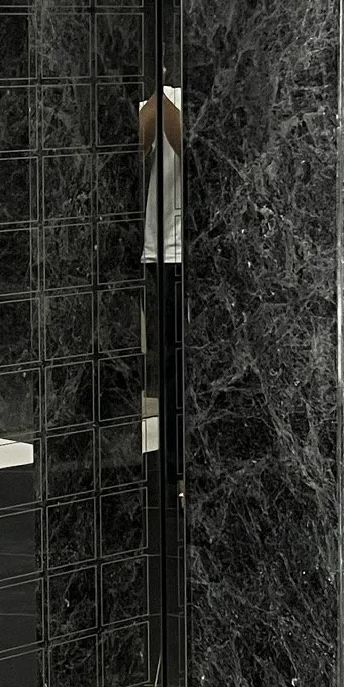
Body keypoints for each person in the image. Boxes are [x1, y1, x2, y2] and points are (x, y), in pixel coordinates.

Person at [139, 85, 183, 486]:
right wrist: (156, 91)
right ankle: (172, 464)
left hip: (190, 246)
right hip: (163, 250)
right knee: (167, 363)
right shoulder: (157, 97)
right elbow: (139, 144)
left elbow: (188, 143)